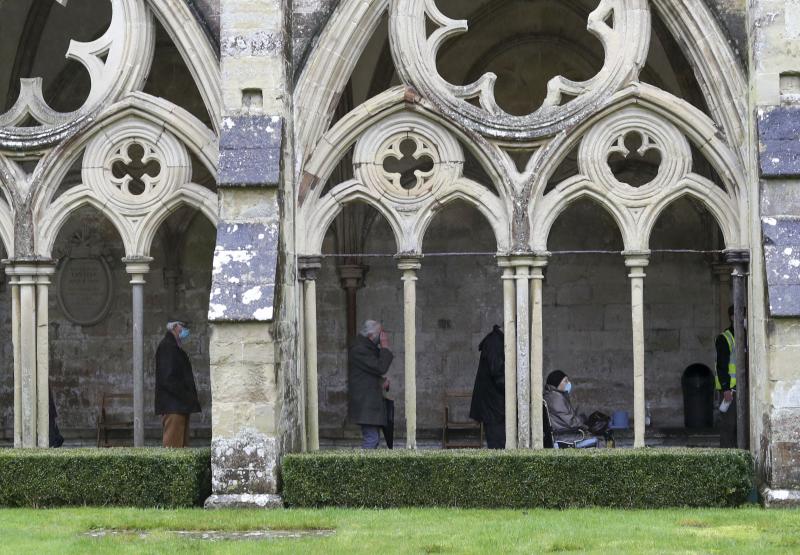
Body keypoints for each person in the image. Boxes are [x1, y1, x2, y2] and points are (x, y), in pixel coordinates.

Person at [155, 318, 201, 448]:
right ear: (175, 327)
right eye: (184, 326)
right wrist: (186, 396)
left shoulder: (173, 346)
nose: (186, 330)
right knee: (173, 450)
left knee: (181, 448)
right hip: (174, 405)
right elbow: (167, 379)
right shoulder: (167, 347)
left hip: (179, 405)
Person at [349, 320, 393, 449]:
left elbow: (367, 373)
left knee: (373, 438)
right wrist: (385, 346)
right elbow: (380, 367)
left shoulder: (366, 348)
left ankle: (364, 467)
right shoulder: (359, 349)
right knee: (372, 439)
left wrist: (381, 382)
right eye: (381, 334)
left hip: (369, 401)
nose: (383, 337)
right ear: (371, 335)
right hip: (365, 403)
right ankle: (360, 468)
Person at [469, 325, 505, 449]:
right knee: (498, 446)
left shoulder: (496, 341)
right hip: (494, 407)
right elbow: (498, 374)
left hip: (494, 405)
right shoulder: (496, 343)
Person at [716, 305, 737, 448]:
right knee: (729, 424)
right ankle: (726, 456)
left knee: (740, 425)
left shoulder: (746, 335)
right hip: (730, 389)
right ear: (732, 317)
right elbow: (721, 366)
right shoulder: (724, 338)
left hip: (743, 387)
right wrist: (726, 388)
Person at [543, 370, 587, 437]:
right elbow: (572, 423)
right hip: (565, 436)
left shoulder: (550, 395)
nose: (569, 383)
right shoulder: (557, 398)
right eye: (565, 381)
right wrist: (582, 419)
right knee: (599, 440)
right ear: (557, 383)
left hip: (562, 434)